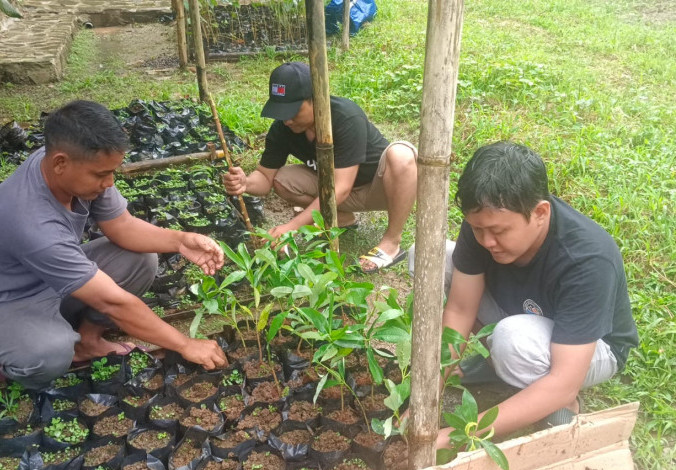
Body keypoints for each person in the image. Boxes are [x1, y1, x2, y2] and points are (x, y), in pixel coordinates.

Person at [0, 100, 228, 390]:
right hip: (3, 301)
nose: (109, 183)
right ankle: (17, 359)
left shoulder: (68, 166)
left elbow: (122, 226)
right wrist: (185, 343)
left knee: (141, 259)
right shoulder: (29, 220)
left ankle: (88, 341)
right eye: (101, 174)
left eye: (112, 172)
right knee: (49, 354)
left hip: (50, 279)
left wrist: (181, 241)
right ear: (60, 162)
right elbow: (113, 302)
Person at [407, 142, 638, 448]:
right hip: (521, 312)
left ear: (540, 212)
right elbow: (461, 310)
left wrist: (459, 435)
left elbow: (563, 381)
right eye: (477, 229)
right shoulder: (485, 224)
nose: (487, 241)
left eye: (499, 232)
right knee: (426, 260)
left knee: (513, 342)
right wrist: (428, 393)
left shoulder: (588, 260)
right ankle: (500, 365)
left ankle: (560, 405)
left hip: (591, 346)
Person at [223, 61, 418, 273]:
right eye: (281, 111)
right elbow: (265, 177)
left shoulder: (346, 117)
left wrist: (291, 227)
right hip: (335, 191)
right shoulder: (283, 128)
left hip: (379, 188)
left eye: (293, 110)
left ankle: (391, 242)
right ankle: (341, 218)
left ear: (315, 99)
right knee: (283, 180)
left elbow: (340, 188)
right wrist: (245, 182)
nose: (287, 120)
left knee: (401, 155)